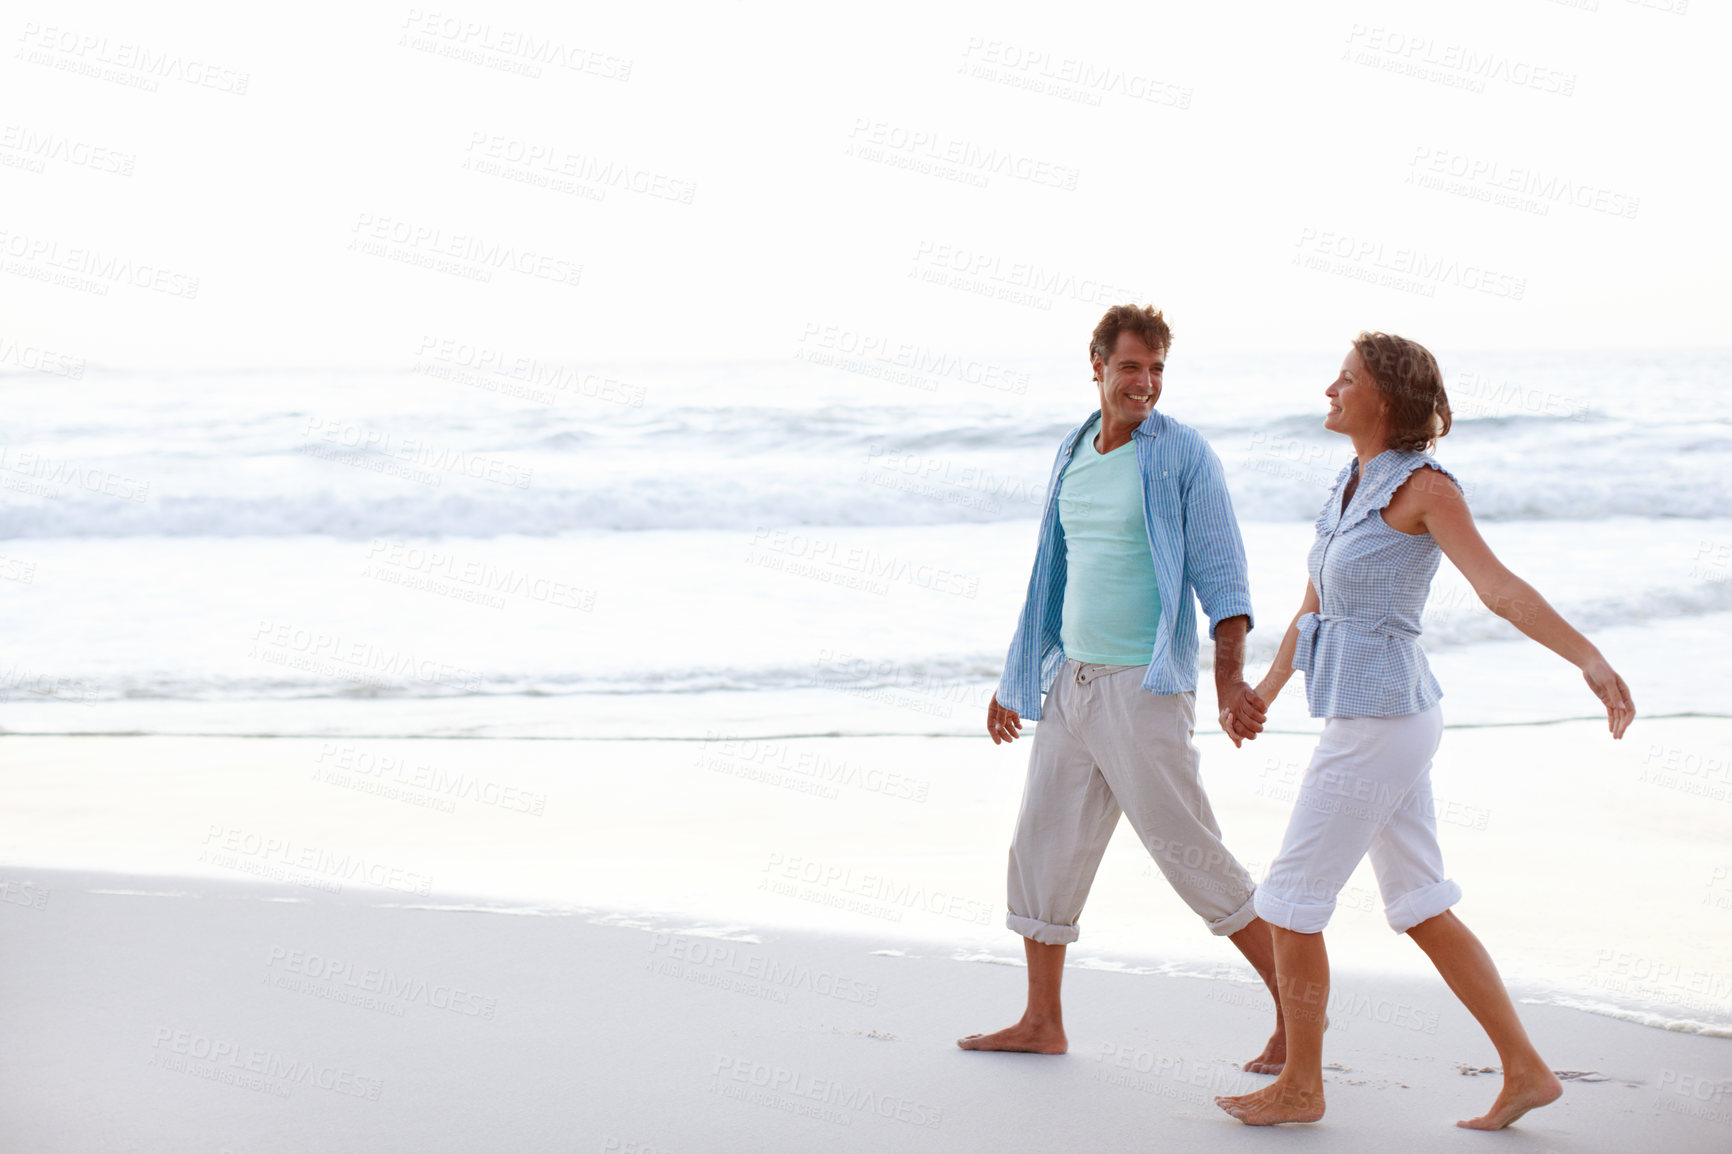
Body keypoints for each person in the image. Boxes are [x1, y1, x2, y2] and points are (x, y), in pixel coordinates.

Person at [1215, 332, 1636, 1129]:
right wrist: (1264, 690)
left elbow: (1500, 588)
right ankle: (1526, 1071)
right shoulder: (1348, 483)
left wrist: (1588, 658)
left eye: (1345, 380)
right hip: (1374, 718)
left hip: (1382, 724)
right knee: (1419, 903)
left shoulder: (1427, 488)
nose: (1329, 390)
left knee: (1293, 901)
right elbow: (1315, 609)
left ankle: (1303, 1084)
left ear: (1386, 397)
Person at [958, 304, 1286, 1071]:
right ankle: (1042, 1020)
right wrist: (1018, 678)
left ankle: (1300, 1015)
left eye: (1158, 369)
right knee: (1044, 848)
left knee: (1192, 854)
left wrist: (1232, 681)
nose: (1147, 383)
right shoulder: (1073, 450)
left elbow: (1223, 573)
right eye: (1133, 366)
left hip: (1144, 688)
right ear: (1098, 364)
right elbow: (1051, 573)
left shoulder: (1182, 456)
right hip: (1071, 681)